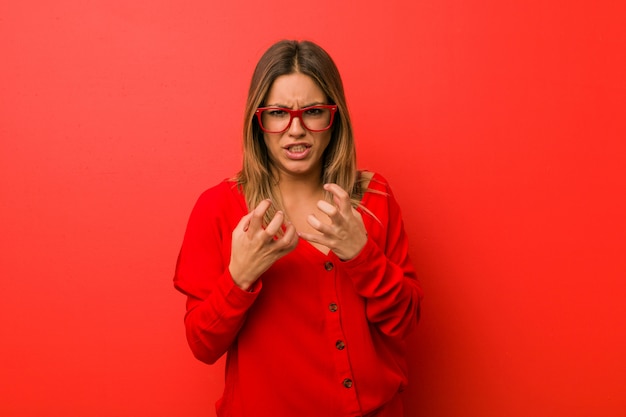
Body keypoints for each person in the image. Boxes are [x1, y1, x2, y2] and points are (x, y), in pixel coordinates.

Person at [174, 39, 423, 417]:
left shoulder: (374, 196)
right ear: (258, 120)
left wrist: (362, 254)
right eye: (278, 113)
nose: (296, 129)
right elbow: (202, 345)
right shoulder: (219, 208)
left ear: (333, 117)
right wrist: (239, 277)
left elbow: (405, 322)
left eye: (313, 111)